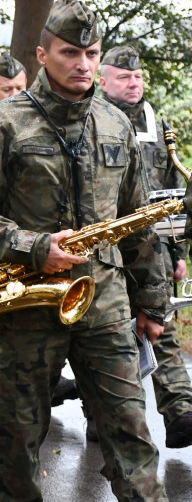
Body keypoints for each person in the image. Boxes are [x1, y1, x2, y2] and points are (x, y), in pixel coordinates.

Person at [0, 0, 169, 500]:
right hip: (29, 306)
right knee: (16, 442)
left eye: (91, 53)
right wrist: (34, 246)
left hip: (105, 303)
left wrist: (153, 303)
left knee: (132, 436)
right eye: (69, 53)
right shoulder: (3, 123)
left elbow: (137, 224)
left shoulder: (116, 123)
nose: (82, 65)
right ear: (41, 54)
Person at [98, 44, 192, 449]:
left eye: (137, 77)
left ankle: (180, 411)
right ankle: (97, 413)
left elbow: (177, 187)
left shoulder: (159, 122)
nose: (133, 83)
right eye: (124, 76)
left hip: (154, 245)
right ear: (104, 81)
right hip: (104, 247)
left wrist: (179, 255)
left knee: (160, 321)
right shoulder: (92, 117)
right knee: (108, 335)